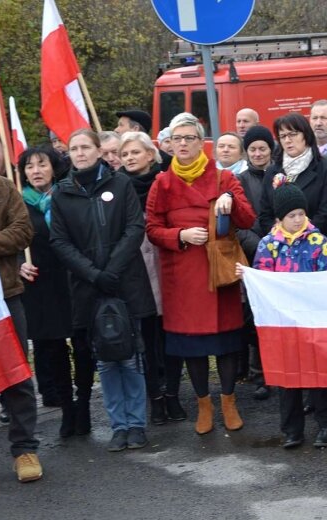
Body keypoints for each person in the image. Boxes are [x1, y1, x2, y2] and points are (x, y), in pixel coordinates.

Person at [146, 113, 255, 435]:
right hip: (181, 276)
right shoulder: (162, 183)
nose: (182, 143)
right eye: (176, 138)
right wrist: (179, 236)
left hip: (217, 274)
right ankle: (203, 404)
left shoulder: (223, 179)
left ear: (201, 143)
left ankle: (228, 401)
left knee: (225, 344)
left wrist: (230, 200)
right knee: (191, 347)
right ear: (169, 144)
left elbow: (248, 220)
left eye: (189, 138)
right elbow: (152, 228)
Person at [50, 129, 156, 452]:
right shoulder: (61, 193)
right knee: (106, 360)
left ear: (98, 151)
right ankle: (118, 425)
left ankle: (136, 424)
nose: (80, 153)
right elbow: (60, 242)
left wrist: (112, 270)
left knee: (130, 356)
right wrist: (95, 274)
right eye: (74, 148)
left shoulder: (120, 184)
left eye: (86, 147)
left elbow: (134, 228)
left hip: (125, 283)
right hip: (89, 288)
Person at [243, 183, 327, 448]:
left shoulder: (320, 242)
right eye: (291, 215)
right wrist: (250, 277)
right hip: (283, 323)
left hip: (315, 321)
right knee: (288, 377)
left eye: (301, 214)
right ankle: (292, 430)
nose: (297, 220)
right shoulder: (267, 245)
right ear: (279, 219)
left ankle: (326, 424)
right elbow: (262, 280)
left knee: (320, 375)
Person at [17, 147, 92, 439]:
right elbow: (10, 241)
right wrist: (18, 264)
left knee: (83, 345)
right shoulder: (20, 204)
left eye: (41, 164)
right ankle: (67, 409)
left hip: (73, 280)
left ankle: (84, 402)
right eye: (29, 166)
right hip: (41, 286)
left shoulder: (67, 194)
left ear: (54, 167)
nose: (35, 171)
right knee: (53, 350)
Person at [117, 132, 186, 425]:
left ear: (150, 154)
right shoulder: (117, 187)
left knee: (171, 336)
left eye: (135, 152)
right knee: (146, 337)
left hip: (166, 263)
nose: (129, 158)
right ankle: (154, 397)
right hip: (136, 269)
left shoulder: (167, 182)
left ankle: (173, 393)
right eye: (125, 154)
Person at [0, 133, 42, 482]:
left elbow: (23, 231)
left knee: (15, 374)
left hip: (4, 296)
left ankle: (24, 450)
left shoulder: (3, 188)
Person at [237, 126, 276, 400]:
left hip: (284, 255)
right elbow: (239, 223)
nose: (258, 153)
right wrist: (262, 247)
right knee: (257, 317)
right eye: (253, 149)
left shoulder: (281, 175)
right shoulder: (239, 181)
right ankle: (260, 373)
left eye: (262, 148)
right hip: (254, 257)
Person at [257, 113, 327, 238]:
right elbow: (264, 215)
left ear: (306, 135)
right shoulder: (272, 171)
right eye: (283, 136)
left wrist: (299, 235)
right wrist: (281, 235)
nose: (287, 140)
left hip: (314, 243)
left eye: (293, 134)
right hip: (279, 245)